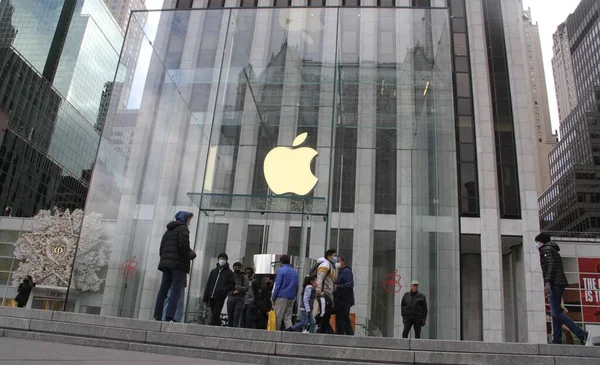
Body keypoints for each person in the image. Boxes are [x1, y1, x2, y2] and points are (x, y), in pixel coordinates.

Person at [535, 232, 589, 345]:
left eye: (537, 242)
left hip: (554, 283)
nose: (537, 245)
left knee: (556, 313)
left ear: (542, 242)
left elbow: (550, 266)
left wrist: (548, 282)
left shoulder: (545, 250)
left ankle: (581, 333)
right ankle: (557, 339)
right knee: (555, 313)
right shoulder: (553, 249)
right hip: (559, 283)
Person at [153, 211, 194, 322]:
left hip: (166, 264)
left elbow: (162, 247)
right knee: (176, 290)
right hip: (178, 265)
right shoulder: (183, 229)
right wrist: (189, 256)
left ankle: (158, 314)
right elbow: (183, 246)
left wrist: (165, 260)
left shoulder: (168, 230)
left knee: (163, 289)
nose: (189, 221)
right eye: (189, 219)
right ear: (184, 218)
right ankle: (170, 316)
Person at [162, 250, 197, 322]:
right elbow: (192, 254)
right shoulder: (181, 244)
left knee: (170, 298)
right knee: (178, 300)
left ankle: (166, 318)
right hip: (177, 276)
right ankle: (175, 319)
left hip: (172, 275)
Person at [203, 253, 235, 326]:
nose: (222, 260)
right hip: (211, 296)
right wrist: (205, 297)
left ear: (226, 260)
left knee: (216, 312)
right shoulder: (214, 271)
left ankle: (213, 326)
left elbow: (232, 284)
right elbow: (208, 284)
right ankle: (217, 325)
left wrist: (223, 290)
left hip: (220, 296)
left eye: (223, 259)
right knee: (213, 312)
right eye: (221, 258)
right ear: (218, 259)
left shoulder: (229, 273)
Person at [271, 255, 298, 331]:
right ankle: (289, 333)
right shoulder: (294, 271)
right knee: (288, 317)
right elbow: (297, 286)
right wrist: (294, 296)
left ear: (281, 262)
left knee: (278, 317)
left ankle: (275, 334)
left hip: (282, 296)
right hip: (291, 297)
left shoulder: (281, 270)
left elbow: (278, 285)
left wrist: (274, 297)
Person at [315, 249, 337, 334]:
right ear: (329, 256)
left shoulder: (330, 266)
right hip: (323, 294)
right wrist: (318, 290)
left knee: (326, 315)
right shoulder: (325, 265)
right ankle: (319, 330)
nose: (335, 258)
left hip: (327, 294)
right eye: (334, 256)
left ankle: (322, 332)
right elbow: (320, 277)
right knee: (324, 314)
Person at [334, 255, 354, 335]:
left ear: (342, 262)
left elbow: (350, 284)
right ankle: (349, 335)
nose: (337, 263)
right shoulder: (339, 272)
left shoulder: (346, 271)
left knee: (341, 319)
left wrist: (337, 287)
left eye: (338, 261)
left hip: (344, 299)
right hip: (341, 299)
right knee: (345, 319)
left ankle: (341, 336)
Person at [227, 262, 249, 327]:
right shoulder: (230, 275)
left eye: (238, 267)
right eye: (235, 267)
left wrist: (237, 288)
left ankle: (235, 330)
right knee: (230, 316)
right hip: (231, 297)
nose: (237, 268)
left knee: (236, 316)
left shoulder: (244, 276)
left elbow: (246, 288)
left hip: (240, 298)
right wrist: (232, 291)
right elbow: (227, 286)